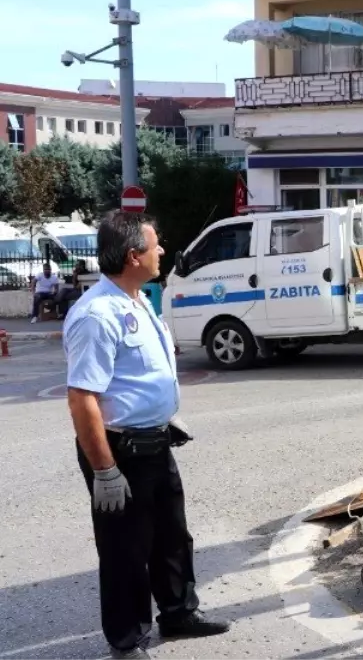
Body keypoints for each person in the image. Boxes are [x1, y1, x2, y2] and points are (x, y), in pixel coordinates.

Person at [65, 211, 230, 659]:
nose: (162, 251)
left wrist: (160, 413)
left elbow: (135, 380)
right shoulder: (97, 315)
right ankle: (127, 638)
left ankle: (178, 613)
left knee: (172, 535)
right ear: (134, 255)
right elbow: (83, 400)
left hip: (156, 440)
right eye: (155, 246)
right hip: (120, 451)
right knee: (124, 549)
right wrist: (104, 470)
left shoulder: (137, 300)